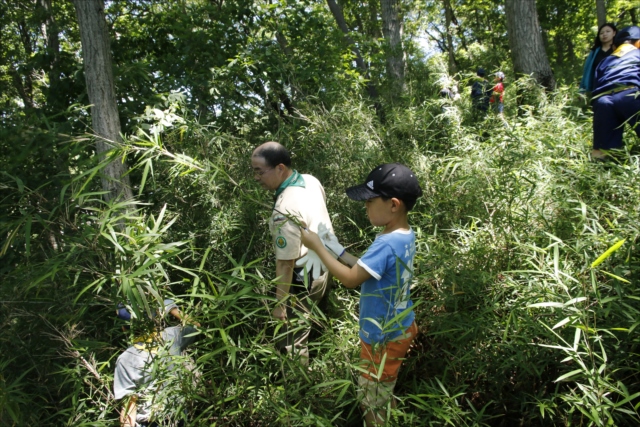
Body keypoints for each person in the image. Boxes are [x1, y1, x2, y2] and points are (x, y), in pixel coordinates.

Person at [299, 163, 422, 426]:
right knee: (383, 390)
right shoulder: (403, 235)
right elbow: (368, 269)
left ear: (394, 204)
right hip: (402, 326)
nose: (365, 206)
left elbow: (351, 279)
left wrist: (318, 246)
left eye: (370, 201)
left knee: (370, 398)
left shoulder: (386, 242)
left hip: (382, 337)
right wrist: (339, 251)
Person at [251, 141, 333, 365]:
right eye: (254, 171)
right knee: (313, 319)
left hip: (303, 275)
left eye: (260, 171)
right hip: (325, 264)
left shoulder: (284, 208)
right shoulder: (310, 180)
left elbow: (285, 263)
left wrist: (279, 306)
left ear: (280, 168)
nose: (256, 177)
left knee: (292, 339)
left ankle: (298, 390)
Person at [114, 299, 200, 427]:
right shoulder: (171, 337)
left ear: (124, 328)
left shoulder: (126, 359)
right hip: (178, 417)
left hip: (151, 422)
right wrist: (169, 307)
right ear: (153, 319)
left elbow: (129, 409)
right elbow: (196, 326)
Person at [591, 25, 640, 160]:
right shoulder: (638, 53)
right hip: (630, 95)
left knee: (601, 152)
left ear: (614, 46)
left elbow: (596, 84)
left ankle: (599, 178)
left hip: (602, 100)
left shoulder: (605, 61)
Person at [579, 23, 618, 94]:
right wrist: (582, 90)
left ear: (614, 33)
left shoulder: (619, 50)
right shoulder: (594, 52)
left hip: (616, 87)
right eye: (601, 33)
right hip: (596, 88)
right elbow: (586, 71)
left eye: (608, 31)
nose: (604, 34)